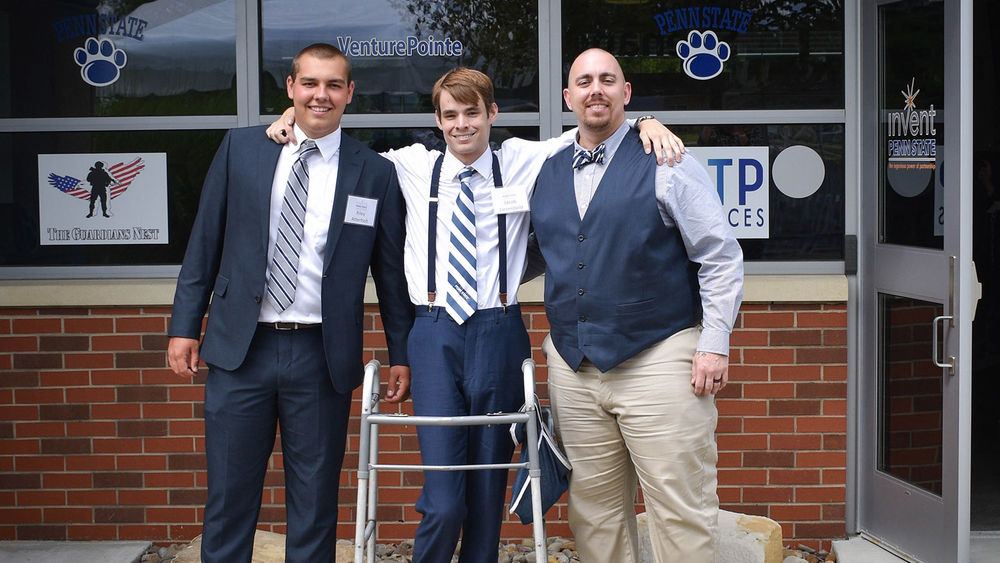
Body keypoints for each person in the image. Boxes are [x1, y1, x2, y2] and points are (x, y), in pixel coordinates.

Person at [266, 68, 684, 562]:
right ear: (438, 121)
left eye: (472, 113)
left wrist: (645, 123)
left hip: (499, 331)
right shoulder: (412, 166)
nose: (461, 125)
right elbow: (342, 157)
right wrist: (296, 113)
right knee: (445, 497)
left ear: (492, 114)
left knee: (487, 494)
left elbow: (594, 125)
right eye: (450, 115)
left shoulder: (523, 160)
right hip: (434, 333)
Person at [166, 43, 412, 563]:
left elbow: (389, 276)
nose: (320, 95)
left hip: (320, 358)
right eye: (310, 83)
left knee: (316, 503)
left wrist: (401, 354)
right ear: (291, 88)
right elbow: (204, 243)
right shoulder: (242, 149)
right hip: (240, 351)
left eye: (333, 85)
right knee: (230, 499)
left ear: (349, 93)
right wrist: (184, 325)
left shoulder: (375, 173)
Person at [528, 48, 743, 563]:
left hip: (659, 356)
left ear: (626, 93)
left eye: (608, 79)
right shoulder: (544, 168)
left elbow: (719, 255)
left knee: (679, 509)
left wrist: (714, 344)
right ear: (567, 97)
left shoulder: (666, 159)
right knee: (594, 515)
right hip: (574, 367)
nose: (595, 89)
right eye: (584, 82)